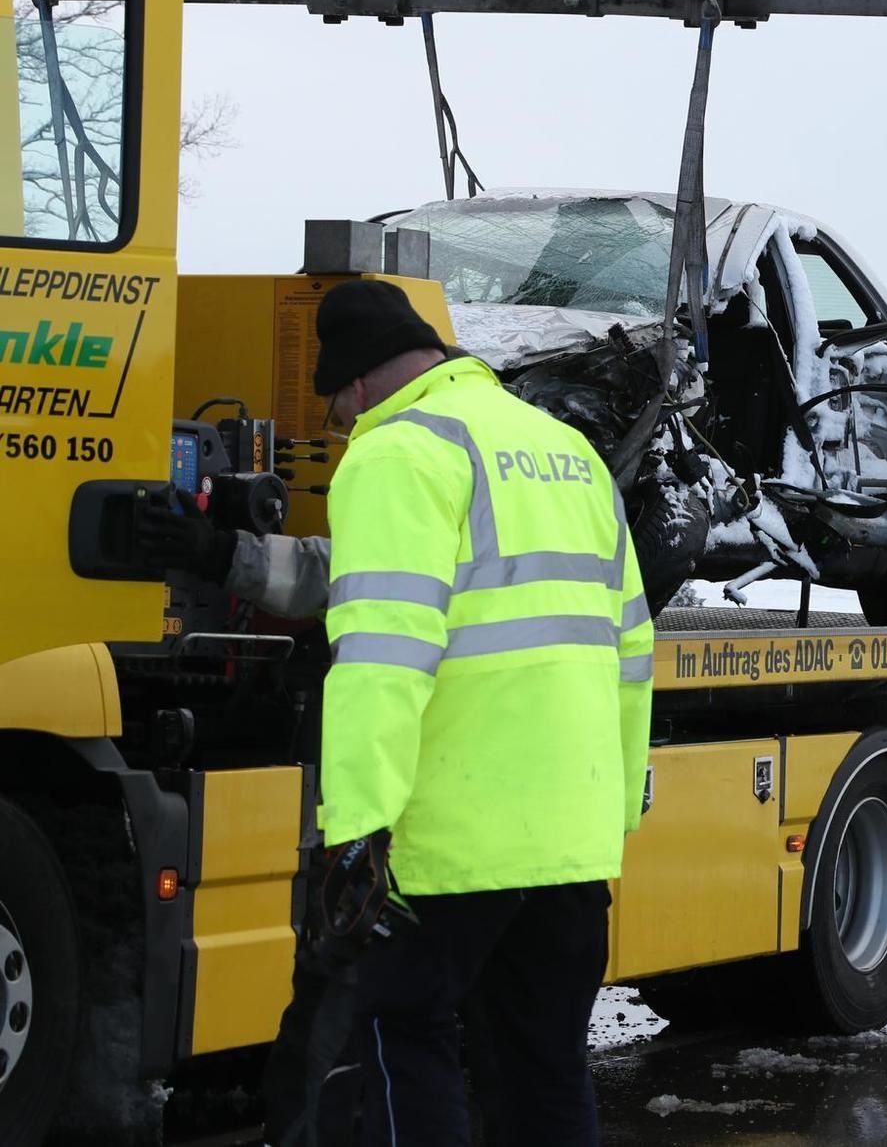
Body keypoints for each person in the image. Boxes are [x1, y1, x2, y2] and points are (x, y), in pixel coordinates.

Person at [144, 279, 656, 1146]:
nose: (344, 430)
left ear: (356, 384)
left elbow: (383, 660)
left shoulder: (397, 452)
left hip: (451, 849)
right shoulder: (566, 450)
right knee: (545, 1072)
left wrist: (356, 832)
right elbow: (633, 653)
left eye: (338, 413)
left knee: (398, 1037)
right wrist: (608, 819)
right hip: (568, 846)